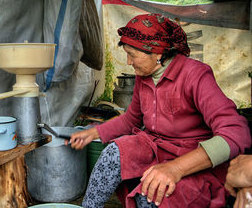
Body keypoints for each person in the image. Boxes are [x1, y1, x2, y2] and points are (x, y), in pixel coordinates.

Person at [67, 13, 251, 208]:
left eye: (133, 55)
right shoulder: (144, 76)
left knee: (154, 194)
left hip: (191, 155)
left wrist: (175, 168)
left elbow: (236, 133)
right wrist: (93, 132)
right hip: (155, 147)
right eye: (127, 54)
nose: (129, 62)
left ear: (158, 54)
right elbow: (131, 119)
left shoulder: (195, 75)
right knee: (113, 153)